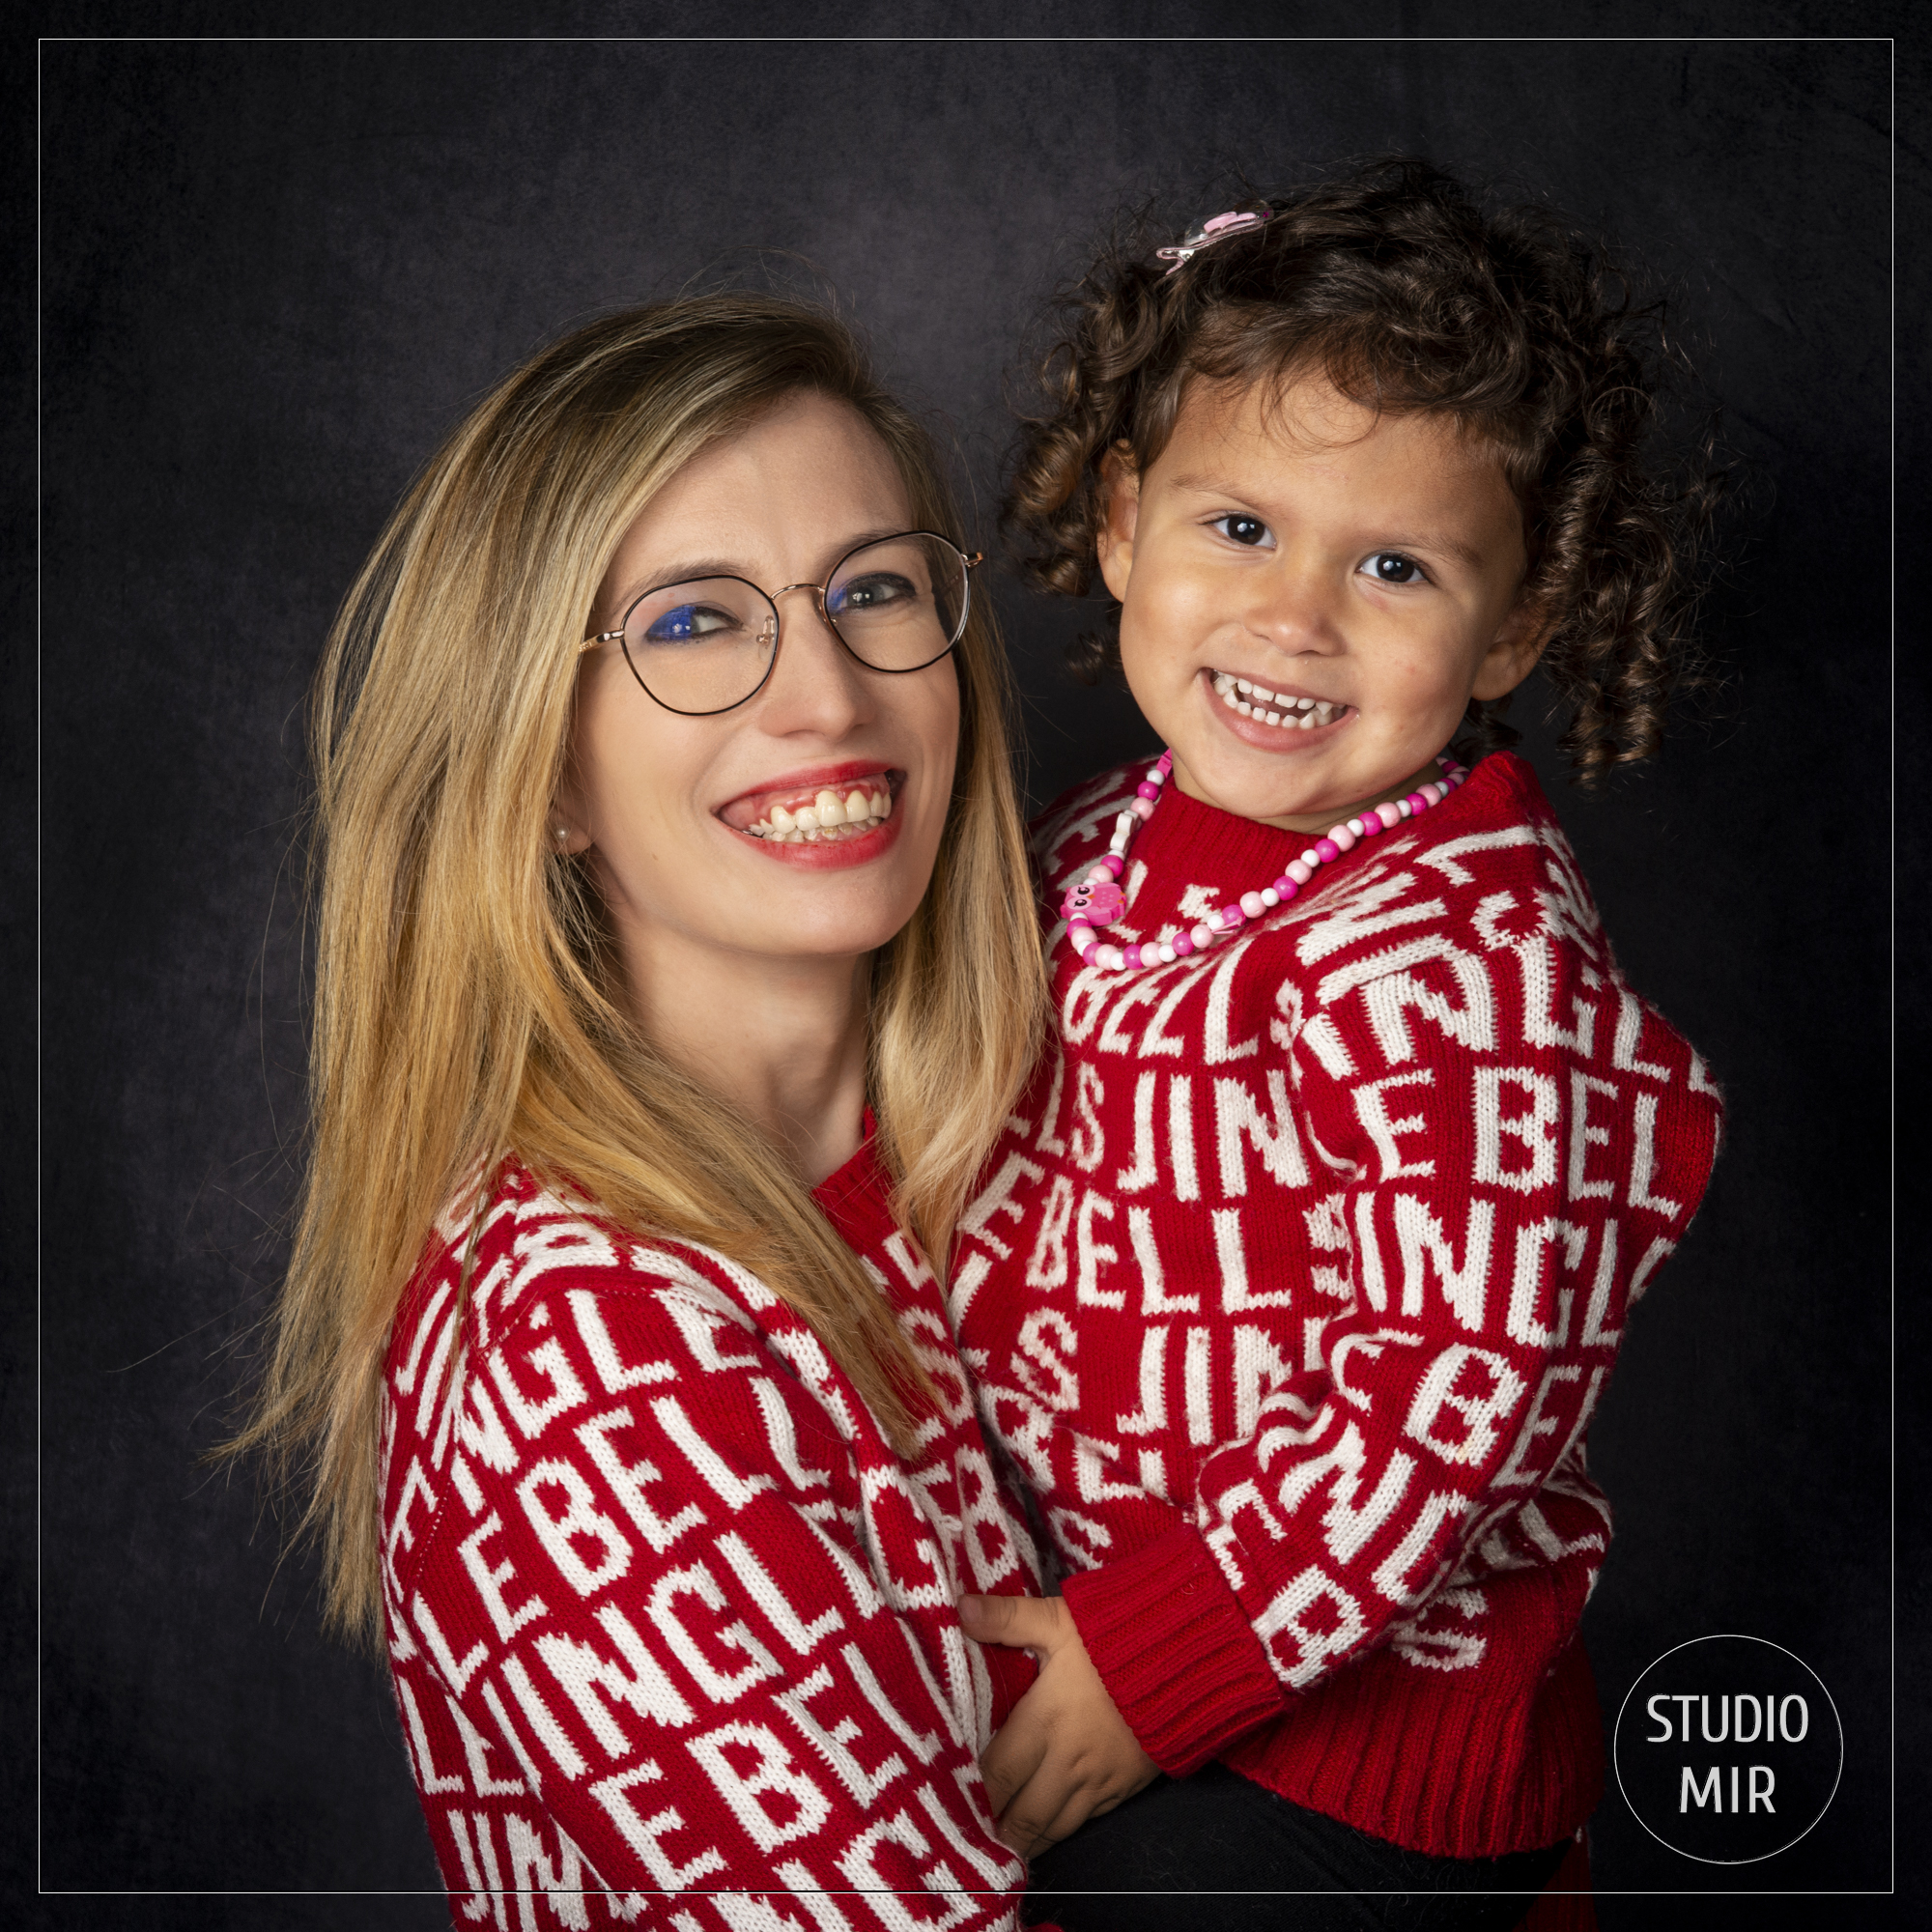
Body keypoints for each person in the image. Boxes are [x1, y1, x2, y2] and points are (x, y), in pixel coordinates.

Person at [232, 295, 1112, 1927]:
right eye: (697, 623)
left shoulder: (1088, 1110)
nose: (832, 699)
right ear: (546, 770)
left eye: (874, 592)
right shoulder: (578, 1351)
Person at [947, 160, 1727, 1929]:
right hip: (1126, 1626)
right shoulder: (1095, 846)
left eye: (1393, 565)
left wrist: (1147, 1672)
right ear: (1128, 519)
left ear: (1514, 624)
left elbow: (1444, 1395)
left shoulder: (1467, 958)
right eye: (1242, 529)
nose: (1296, 617)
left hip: (1370, 1757)